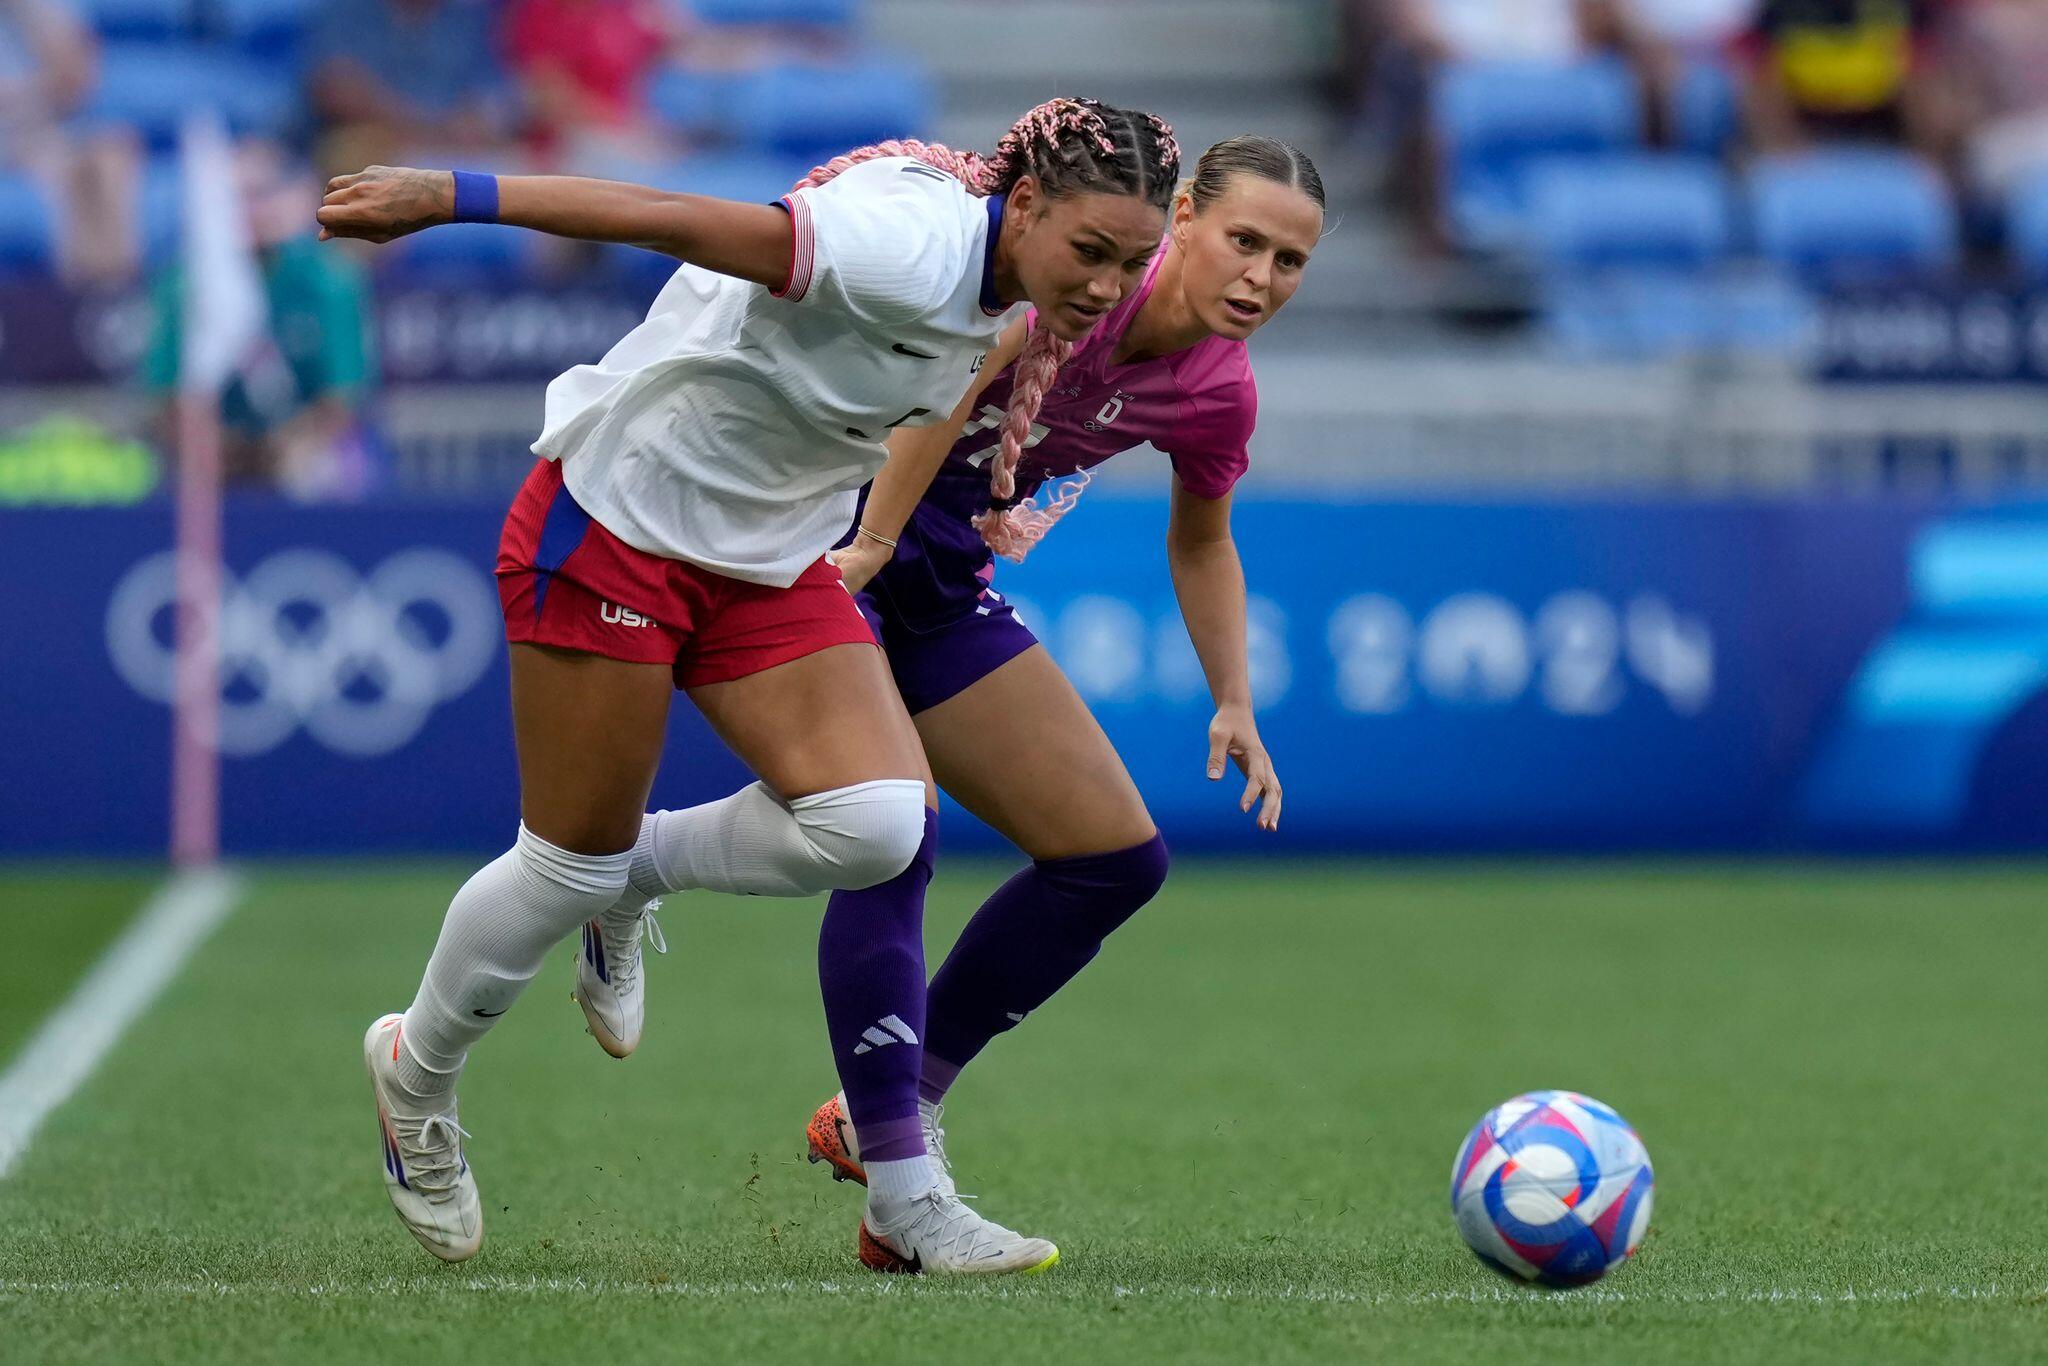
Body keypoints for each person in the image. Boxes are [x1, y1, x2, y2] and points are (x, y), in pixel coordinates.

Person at [317, 97, 1180, 1275]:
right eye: (1091, 251)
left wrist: (870, 538)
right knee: (563, 863)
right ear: (1022, 204)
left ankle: (634, 874)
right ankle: (414, 1076)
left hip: (768, 556)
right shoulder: (900, 242)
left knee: (877, 824)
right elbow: (668, 216)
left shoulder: (1007, 290)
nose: (1106, 285)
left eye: (1132, 261)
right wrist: (450, 195)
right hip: (616, 526)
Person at [766, 135, 1325, 1216]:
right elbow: (943, 396)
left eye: (1289, 261)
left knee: (1113, 861)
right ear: (1183, 218)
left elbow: (1202, 540)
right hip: (828, 530)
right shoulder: (1078, 286)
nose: (1260, 277)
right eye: (1244, 241)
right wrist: (870, 543)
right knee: (893, 828)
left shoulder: (1219, 391)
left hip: (936, 569)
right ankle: (900, 1176)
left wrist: (1234, 696)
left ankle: (890, 1107)